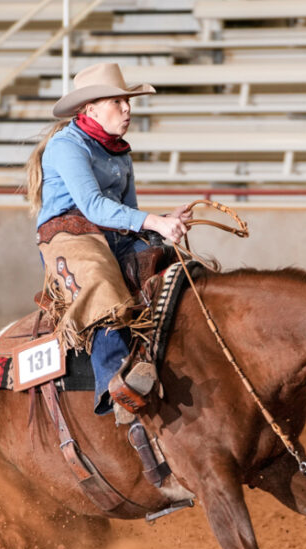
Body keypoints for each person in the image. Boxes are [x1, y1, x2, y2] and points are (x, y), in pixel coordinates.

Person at [25, 62, 191, 418]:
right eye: (117, 101)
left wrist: (159, 225)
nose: (127, 108)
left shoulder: (118, 150)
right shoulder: (66, 147)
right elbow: (94, 206)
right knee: (100, 282)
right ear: (91, 108)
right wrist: (155, 222)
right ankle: (116, 384)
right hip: (66, 235)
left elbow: (126, 211)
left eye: (127, 101)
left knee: (173, 266)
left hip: (109, 233)